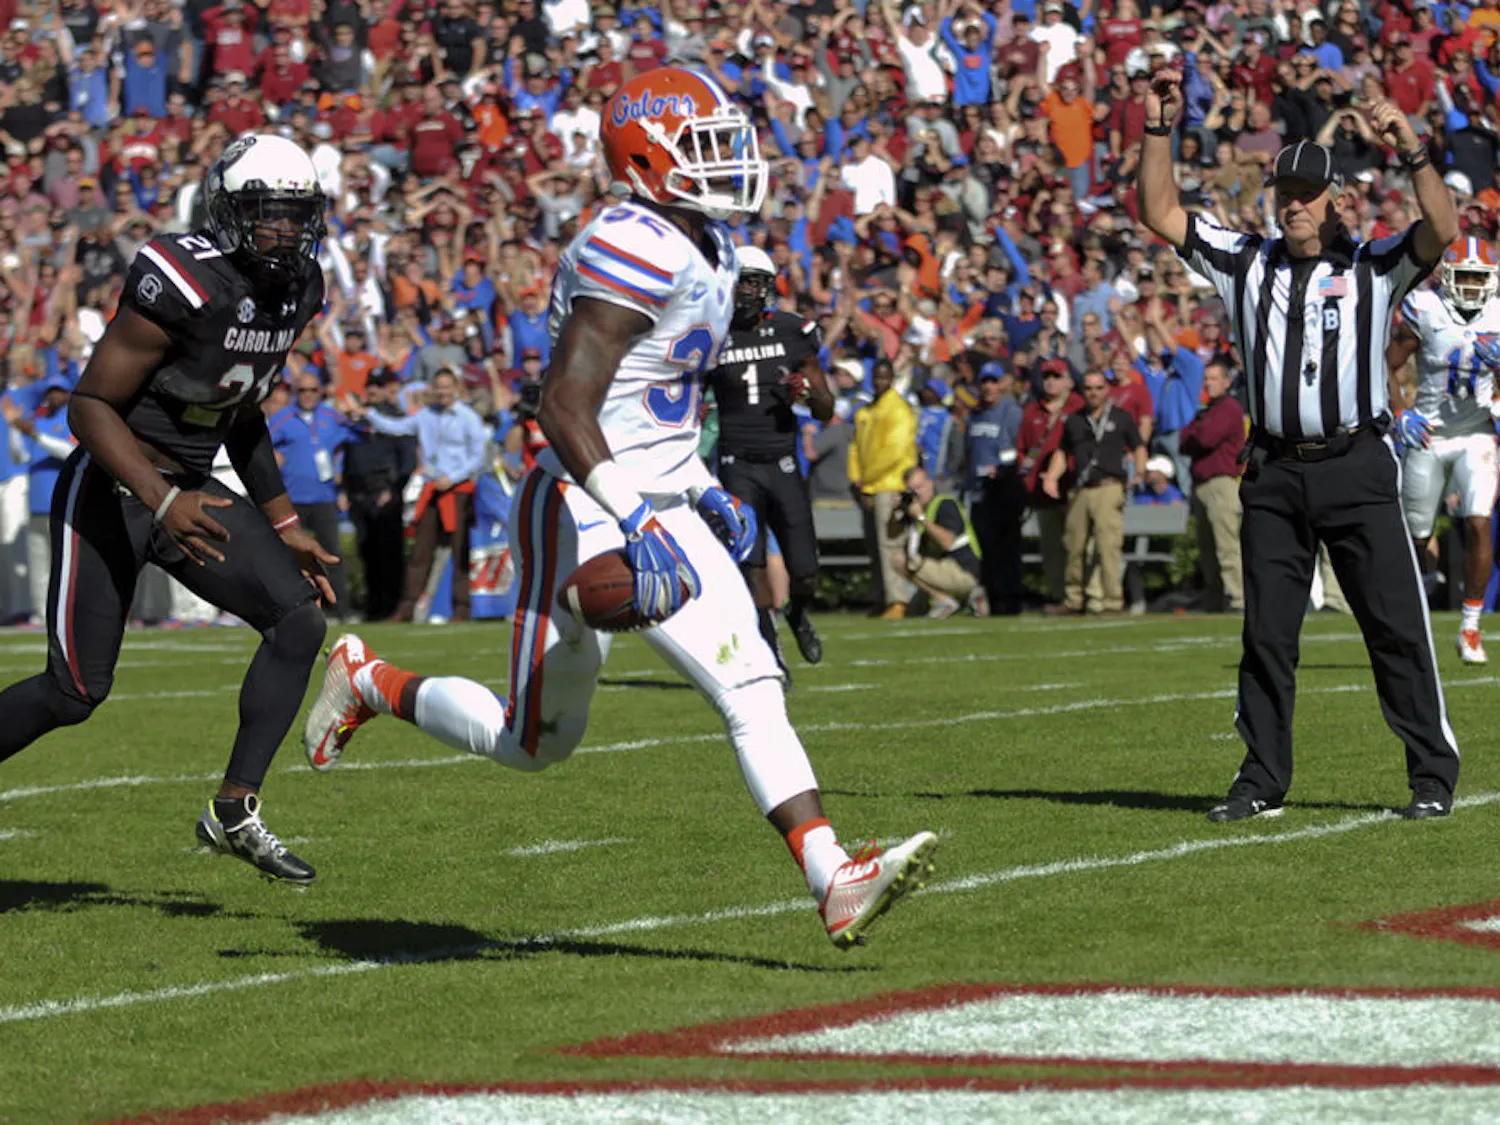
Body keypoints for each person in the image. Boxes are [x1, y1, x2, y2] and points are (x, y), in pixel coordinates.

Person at [302, 68, 937, 949]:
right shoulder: (633, 239)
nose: (728, 159)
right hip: (578, 496)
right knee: (533, 740)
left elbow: (660, 402)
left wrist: (703, 489)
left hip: (662, 491)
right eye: (704, 144)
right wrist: (635, 520)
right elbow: (563, 405)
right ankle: (371, 680)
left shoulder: (711, 248)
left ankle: (832, 874)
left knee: (753, 681)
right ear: (647, 156)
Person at [0, 134, 338, 882]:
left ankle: (234, 809)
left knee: (298, 619)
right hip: (114, 486)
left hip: (188, 483)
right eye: (267, 213)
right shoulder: (182, 278)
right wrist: (161, 498)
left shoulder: (297, 287)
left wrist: (285, 523)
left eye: (296, 214)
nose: (284, 230)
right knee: (75, 690)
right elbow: (87, 409)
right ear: (226, 209)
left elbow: (242, 408)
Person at [1140, 70, 1462, 822]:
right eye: (1285, 191)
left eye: (1308, 192)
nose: (1294, 203)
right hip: (1277, 470)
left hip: (1356, 462)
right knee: (1267, 636)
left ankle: (1431, 775)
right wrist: (1159, 128)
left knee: (1394, 627)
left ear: (1335, 200)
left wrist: (1411, 147)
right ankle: (1260, 778)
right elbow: (1159, 211)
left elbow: (1442, 230)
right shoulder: (1245, 262)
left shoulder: (1373, 265)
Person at [705, 244, 834, 680]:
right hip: (736, 460)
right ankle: (770, 649)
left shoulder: (793, 330)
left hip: (782, 461)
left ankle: (798, 614)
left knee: (806, 572)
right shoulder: (711, 333)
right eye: (739, 280)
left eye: (753, 281)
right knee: (752, 563)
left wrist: (807, 391)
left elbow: (825, 408)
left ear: (767, 285)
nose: (744, 290)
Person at [1386, 237, 1500, 664]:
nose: (1472, 285)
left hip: (1477, 432)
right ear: (1448, 275)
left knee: (1478, 523)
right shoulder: (1425, 308)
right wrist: (1401, 413)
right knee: (1416, 536)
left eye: (1479, 277)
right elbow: (1387, 363)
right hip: (1428, 432)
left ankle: (1470, 629)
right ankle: (1412, 610)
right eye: (1465, 275)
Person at [352, 368, 489, 623]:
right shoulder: (425, 415)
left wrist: (455, 476)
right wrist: (368, 414)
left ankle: (461, 609)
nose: (443, 392)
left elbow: (478, 457)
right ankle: (407, 607)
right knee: (420, 552)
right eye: (439, 387)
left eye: (447, 387)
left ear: (456, 388)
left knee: (460, 551)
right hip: (431, 488)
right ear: (433, 390)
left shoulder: (467, 417)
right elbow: (396, 427)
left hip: (457, 490)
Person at [1041, 369, 1146, 615]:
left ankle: (1112, 600)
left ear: (1107, 390)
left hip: (1109, 486)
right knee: (1074, 545)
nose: (1093, 393)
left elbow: (1138, 445)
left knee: (1107, 544)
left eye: (1098, 388)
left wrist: (1139, 472)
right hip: (1081, 488)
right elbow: (1062, 452)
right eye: (1088, 388)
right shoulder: (1074, 419)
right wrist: (1052, 477)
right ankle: (1074, 598)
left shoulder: (1121, 418)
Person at [268, 373, 356, 619]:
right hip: (291, 498)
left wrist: (340, 470)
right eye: (303, 390)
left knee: (331, 554)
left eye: (313, 390)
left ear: (320, 392)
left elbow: (356, 435)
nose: (308, 395)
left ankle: (340, 609)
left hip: (324, 496)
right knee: (289, 557)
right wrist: (273, 456)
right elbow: (259, 442)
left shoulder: (331, 417)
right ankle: (291, 610)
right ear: (296, 392)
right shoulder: (283, 418)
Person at [342, 368, 416, 622]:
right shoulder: (359, 419)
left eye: (378, 385)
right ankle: (373, 605)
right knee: (367, 552)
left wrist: (394, 490)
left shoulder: (396, 419)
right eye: (369, 385)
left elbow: (408, 460)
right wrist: (345, 490)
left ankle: (392, 605)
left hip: (385, 491)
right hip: (359, 493)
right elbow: (349, 457)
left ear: (387, 389)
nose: (372, 390)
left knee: (389, 552)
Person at [850, 359, 918, 618]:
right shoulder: (865, 411)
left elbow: (894, 452)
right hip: (869, 487)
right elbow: (854, 447)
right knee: (874, 545)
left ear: (892, 378)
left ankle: (898, 599)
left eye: (884, 377)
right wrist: (857, 477)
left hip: (890, 485)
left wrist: (866, 479)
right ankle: (881, 595)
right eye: (876, 377)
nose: (879, 382)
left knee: (890, 544)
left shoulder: (898, 409)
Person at [1178, 359, 1246, 612]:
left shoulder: (1229, 408)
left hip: (1221, 482)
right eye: (1206, 379)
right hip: (1202, 484)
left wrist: (1195, 431)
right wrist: (1196, 431)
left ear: (1227, 382)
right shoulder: (1205, 410)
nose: (1208, 384)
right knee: (1207, 547)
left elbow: (1205, 438)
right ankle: (1215, 597)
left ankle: (1238, 597)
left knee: (1226, 544)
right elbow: (1183, 442)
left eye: (1214, 379)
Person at [964, 361, 1023, 615]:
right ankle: (992, 599)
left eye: (993, 381)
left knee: (1006, 549)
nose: (988, 387)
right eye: (984, 382)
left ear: (1002, 384)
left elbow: (1017, 449)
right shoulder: (974, 415)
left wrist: (1001, 469)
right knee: (985, 550)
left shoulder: (1011, 412)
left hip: (1003, 491)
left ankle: (1010, 601)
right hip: (978, 492)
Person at [896, 465, 985, 617]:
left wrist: (921, 518)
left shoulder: (944, 504)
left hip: (964, 569)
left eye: (920, 486)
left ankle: (948, 599)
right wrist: (897, 510)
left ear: (930, 483)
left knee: (898, 559)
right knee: (913, 614)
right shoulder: (916, 509)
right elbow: (892, 536)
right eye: (912, 490)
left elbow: (947, 542)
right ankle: (968, 599)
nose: (917, 493)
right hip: (943, 569)